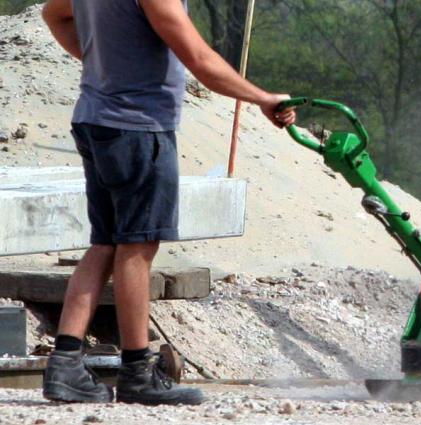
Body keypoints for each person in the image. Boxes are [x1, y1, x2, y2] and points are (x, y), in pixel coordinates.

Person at [40, 0, 296, 405]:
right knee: (136, 246)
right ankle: (138, 371)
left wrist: (101, 59)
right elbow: (199, 59)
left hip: (94, 118)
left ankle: (65, 363)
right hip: (137, 128)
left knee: (105, 242)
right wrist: (262, 98)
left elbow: (53, 14)